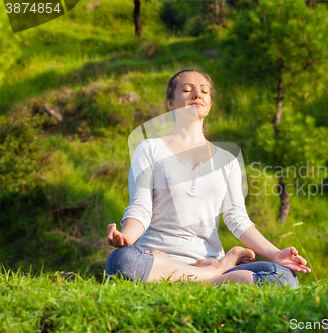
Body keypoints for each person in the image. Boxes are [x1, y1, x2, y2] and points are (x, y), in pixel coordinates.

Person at [105, 69, 311, 287]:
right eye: (186, 90)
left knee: (284, 278)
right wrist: (127, 237)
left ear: (210, 105)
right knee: (123, 261)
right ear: (171, 104)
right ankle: (217, 273)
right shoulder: (150, 148)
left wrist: (275, 253)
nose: (197, 94)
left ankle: (197, 276)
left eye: (204, 91)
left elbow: (236, 217)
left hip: (204, 258)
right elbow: (140, 208)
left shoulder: (227, 160)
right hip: (156, 258)